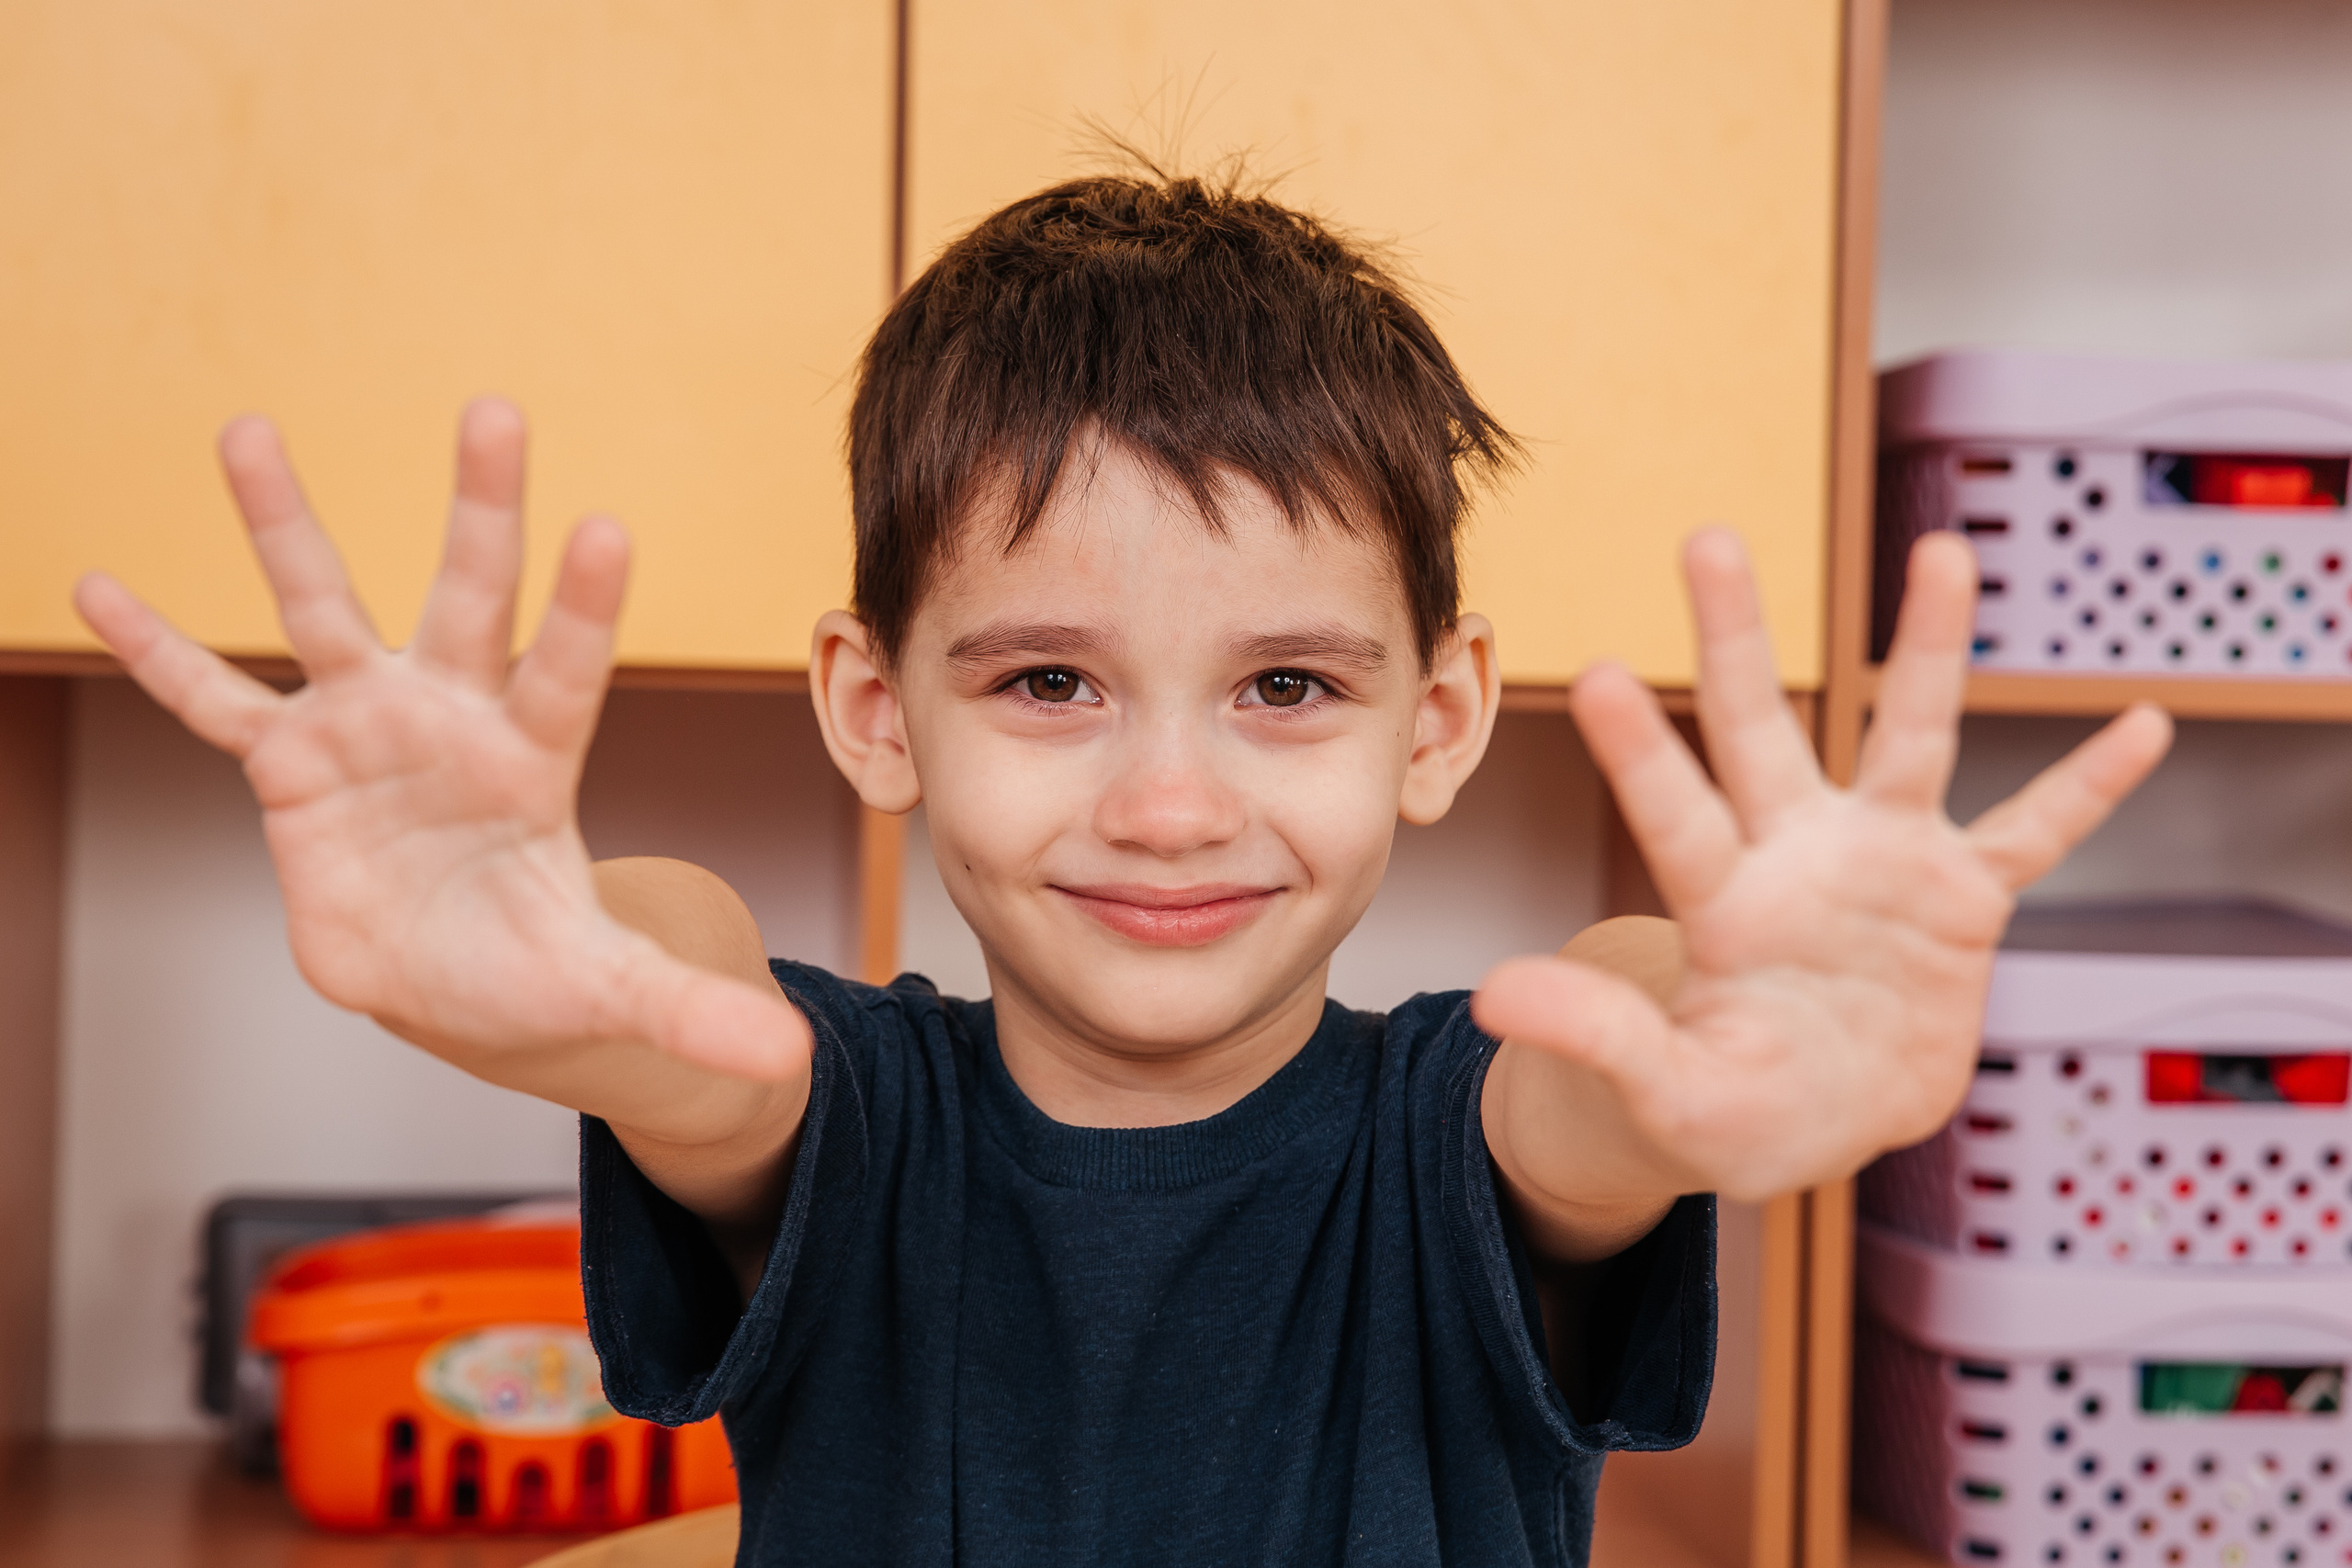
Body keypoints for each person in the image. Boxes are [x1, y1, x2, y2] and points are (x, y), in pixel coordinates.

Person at [74, 174, 2171, 1566]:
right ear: (877, 709)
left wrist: (1719, 1023)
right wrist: (550, 969)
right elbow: (693, 1010)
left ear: (1431, 719)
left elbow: (1605, 1066)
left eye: (1281, 683)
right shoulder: (858, 1123)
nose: (1169, 803)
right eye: (1052, 681)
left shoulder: (1460, 1131)